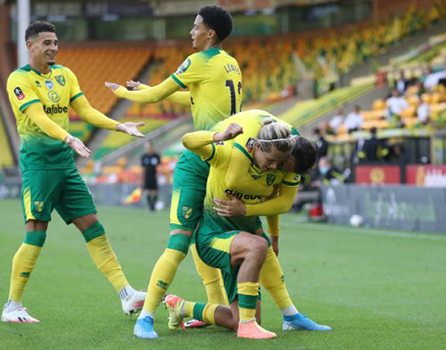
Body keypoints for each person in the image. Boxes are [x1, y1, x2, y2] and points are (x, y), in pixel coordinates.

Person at [105, 5, 244, 338]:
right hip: (226, 162)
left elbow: (156, 96)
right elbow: (200, 96)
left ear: (210, 33)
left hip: (199, 159)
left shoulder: (197, 61)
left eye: (195, 27)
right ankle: (260, 311)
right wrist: (144, 89)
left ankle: (146, 317)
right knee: (226, 239)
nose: (191, 33)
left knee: (180, 243)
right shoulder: (231, 63)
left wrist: (124, 92)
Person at [2, 21, 146, 323]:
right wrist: (68, 137)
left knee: (93, 226)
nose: (53, 47)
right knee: (36, 234)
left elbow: (88, 110)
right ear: (30, 46)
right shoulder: (19, 79)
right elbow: (38, 117)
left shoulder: (65, 75)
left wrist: (119, 125)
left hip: (65, 165)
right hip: (39, 166)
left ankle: (126, 294)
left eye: (55, 42)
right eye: (46, 43)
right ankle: (12, 306)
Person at [164, 121, 330, 339]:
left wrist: (273, 233)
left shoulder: (272, 170)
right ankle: (253, 324)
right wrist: (219, 136)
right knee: (259, 245)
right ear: (262, 148)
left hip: (239, 241)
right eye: (275, 162)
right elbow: (188, 142)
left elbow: (280, 204)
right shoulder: (232, 156)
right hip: (213, 236)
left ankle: (181, 307)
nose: (276, 168)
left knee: (237, 315)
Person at [141, 141, 160, 211]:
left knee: (155, 191)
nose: (147, 148)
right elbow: (143, 167)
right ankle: (150, 206)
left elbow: (159, 165)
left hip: (154, 176)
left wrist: (158, 173)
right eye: (146, 147)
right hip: (147, 176)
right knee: (148, 191)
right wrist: (142, 176)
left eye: (148, 147)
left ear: (151, 147)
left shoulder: (156, 156)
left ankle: (153, 205)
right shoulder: (144, 156)